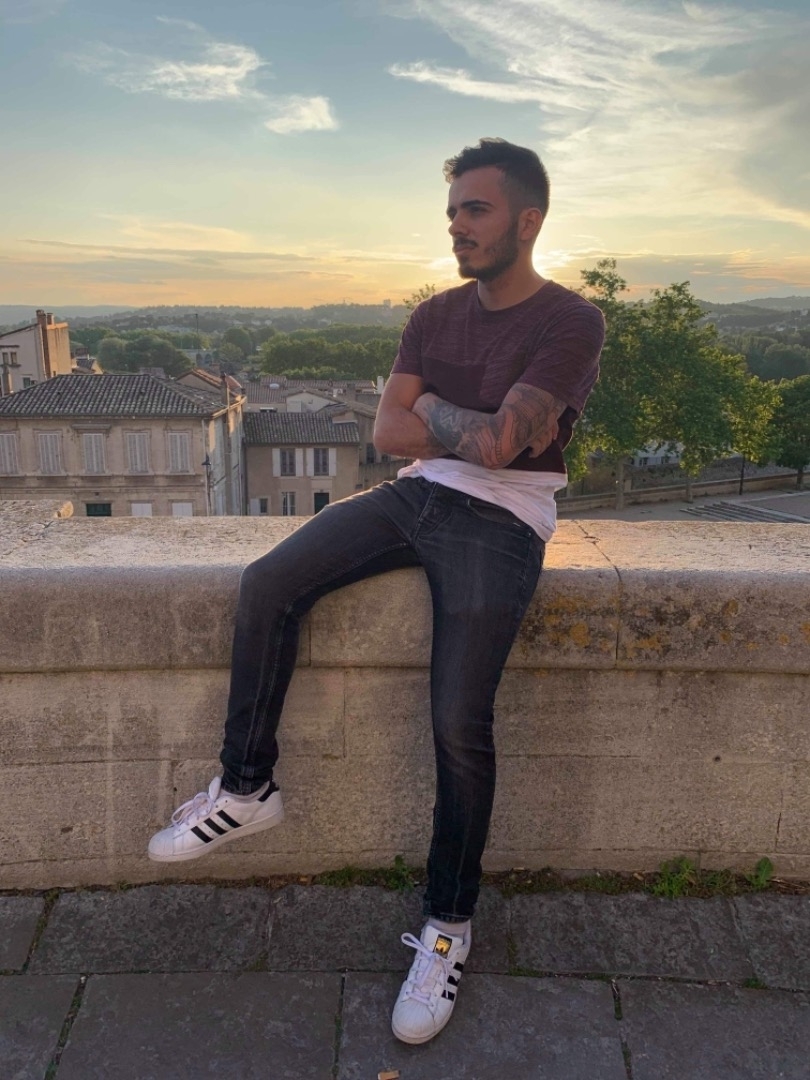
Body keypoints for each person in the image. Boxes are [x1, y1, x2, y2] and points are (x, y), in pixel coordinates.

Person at [148, 137, 605, 1045]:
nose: (457, 226)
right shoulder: (433, 314)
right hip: (415, 495)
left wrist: (429, 408)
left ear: (527, 221)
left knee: (458, 721)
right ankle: (246, 788)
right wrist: (449, 422)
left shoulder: (571, 321)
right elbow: (390, 437)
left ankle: (447, 926)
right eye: (452, 212)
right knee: (269, 583)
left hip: (507, 518)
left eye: (475, 210)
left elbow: (500, 449)